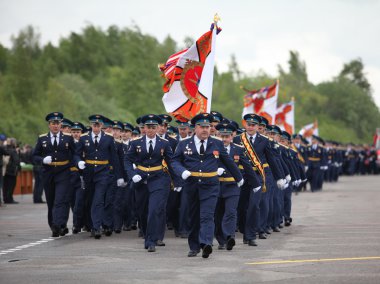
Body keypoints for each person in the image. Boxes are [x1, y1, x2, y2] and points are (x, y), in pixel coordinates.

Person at [172, 113, 244, 258]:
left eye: (208, 127)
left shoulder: (216, 143)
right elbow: (174, 161)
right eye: (202, 127)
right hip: (191, 184)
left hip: (210, 185)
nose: (205, 130)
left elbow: (228, 161)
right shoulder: (184, 143)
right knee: (193, 217)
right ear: (195, 128)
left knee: (207, 215)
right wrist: (182, 171)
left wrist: (238, 177)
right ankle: (194, 246)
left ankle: (206, 244)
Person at [124, 114, 176, 252]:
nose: (151, 130)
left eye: (154, 127)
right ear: (144, 128)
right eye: (148, 127)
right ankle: (147, 234)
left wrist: (179, 180)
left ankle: (151, 241)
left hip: (159, 179)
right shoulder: (135, 143)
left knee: (154, 210)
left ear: (158, 128)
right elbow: (127, 160)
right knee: (142, 211)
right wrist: (132, 174)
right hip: (140, 179)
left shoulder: (164, 143)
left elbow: (171, 162)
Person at [74, 114, 125, 239]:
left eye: (98, 125)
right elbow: (76, 154)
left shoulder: (108, 138)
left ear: (101, 126)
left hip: (103, 172)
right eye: (94, 125)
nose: (96, 127)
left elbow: (114, 158)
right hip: (88, 172)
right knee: (90, 199)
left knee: (98, 199)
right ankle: (92, 225)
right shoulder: (83, 138)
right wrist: (78, 162)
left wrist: (119, 176)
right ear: (91, 125)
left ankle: (97, 228)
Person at [215, 123, 260, 251]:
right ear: (218, 136)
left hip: (233, 186)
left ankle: (230, 236)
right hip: (217, 185)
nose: (224, 139)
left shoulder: (238, 149)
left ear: (232, 136)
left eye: (227, 136)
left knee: (231, 211)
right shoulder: (213, 148)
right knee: (218, 214)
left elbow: (247, 167)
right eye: (222, 136)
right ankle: (221, 239)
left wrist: (256, 183)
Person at [32, 112, 76, 237]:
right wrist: (42, 160)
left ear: (61, 124)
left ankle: (58, 224)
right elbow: (34, 156)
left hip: (63, 172)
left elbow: (74, 154)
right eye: (53, 123)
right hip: (48, 173)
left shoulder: (68, 138)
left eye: (57, 123)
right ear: (49, 125)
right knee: (51, 202)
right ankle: (54, 226)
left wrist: (77, 164)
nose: (55, 126)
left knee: (60, 200)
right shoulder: (42, 139)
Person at [2, 138, 21, 204]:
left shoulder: (4, 149)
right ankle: (9, 199)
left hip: (4, 170)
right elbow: (17, 161)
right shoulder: (13, 151)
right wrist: (18, 153)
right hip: (12, 171)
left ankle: (5, 198)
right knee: (11, 185)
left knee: (5, 185)